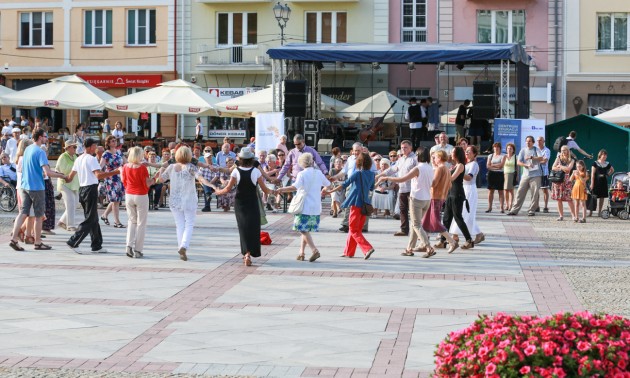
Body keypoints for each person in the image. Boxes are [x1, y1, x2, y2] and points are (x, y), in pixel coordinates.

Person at [213, 148, 275, 266]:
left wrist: (218, 192)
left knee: (243, 229)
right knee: (254, 228)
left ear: (240, 159)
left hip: (240, 203)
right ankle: (251, 252)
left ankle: (246, 254)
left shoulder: (236, 171)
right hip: (252, 202)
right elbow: (265, 190)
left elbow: (228, 189)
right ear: (251, 159)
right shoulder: (256, 171)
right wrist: (275, 192)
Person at [8, 129, 67, 251]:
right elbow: (48, 172)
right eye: (45, 136)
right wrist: (61, 175)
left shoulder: (28, 149)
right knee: (39, 216)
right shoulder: (40, 152)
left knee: (23, 213)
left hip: (24, 186)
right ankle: (38, 242)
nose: (47, 138)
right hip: (36, 187)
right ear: (40, 137)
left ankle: (14, 239)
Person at [159, 146, 213, 261]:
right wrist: (212, 185)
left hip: (175, 200)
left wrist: (161, 169)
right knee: (189, 224)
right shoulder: (191, 167)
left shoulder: (171, 167)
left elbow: (161, 179)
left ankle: (181, 248)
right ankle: (184, 245)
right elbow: (201, 179)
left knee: (179, 225)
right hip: (189, 199)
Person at [66, 139, 120, 254]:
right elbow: (99, 175)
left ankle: (96, 245)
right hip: (90, 189)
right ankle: (73, 241)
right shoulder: (91, 159)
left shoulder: (79, 158)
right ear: (90, 147)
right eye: (95, 146)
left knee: (93, 218)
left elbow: (70, 177)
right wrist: (116, 172)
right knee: (90, 218)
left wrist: (59, 175)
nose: (96, 148)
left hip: (82, 189)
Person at [379, 146, 434, 256]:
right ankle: (409, 248)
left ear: (418, 156)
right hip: (427, 199)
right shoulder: (430, 168)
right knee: (415, 224)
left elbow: (402, 179)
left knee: (417, 224)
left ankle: (428, 247)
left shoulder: (418, 168)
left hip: (417, 198)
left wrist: (387, 178)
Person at [276, 153, 330, 262]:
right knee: (306, 230)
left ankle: (314, 250)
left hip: (304, 206)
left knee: (302, 229)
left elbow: (294, 187)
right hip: (315, 206)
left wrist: (281, 189)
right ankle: (301, 252)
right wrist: (323, 190)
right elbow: (328, 184)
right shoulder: (318, 173)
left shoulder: (302, 174)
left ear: (302, 163)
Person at [324, 152, 375, 259]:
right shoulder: (372, 175)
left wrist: (330, 192)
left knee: (353, 229)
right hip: (366, 204)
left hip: (356, 203)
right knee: (355, 229)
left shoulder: (357, 174)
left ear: (359, 162)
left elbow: (344, 185)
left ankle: (367, 248)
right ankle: (348, 252)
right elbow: (371, 188)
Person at [121, 147, 158, 258]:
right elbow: (148, 183)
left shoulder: (125, 167)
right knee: (141, 223)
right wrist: (155, 178)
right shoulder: (142, 168)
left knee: (132, 221)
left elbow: (124, 181)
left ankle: (128, 245)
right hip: (141, 195)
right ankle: (138, 250)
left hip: (129, 194)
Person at [436, 147, 474, 251]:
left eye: (452, 152)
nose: (451, 154)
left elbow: (452, 178)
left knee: (458, 217)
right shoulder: (453, 166)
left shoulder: (461, 166)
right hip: (450, 193)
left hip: (457, 194)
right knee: (446, 218)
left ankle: (469, 240)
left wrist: (442, 172)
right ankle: (442, 241)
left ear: (457, 154)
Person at [377, 140, 417, 236]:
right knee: (402, 209)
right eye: (402, 147)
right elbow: (391, 169)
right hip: (402, 188)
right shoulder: (401, 159)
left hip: (412, 188)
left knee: (414, 211)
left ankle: (417, 231)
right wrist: (379, 175)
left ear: (410, 148)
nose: (403, 149)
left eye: (405, 147)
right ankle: (404, 230)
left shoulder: (415, 159)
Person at [422, 150, 458, 256]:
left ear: (440, 157)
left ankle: (452, 241)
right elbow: (450, 185)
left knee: (435, 222)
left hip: (434, 197)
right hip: (440, 197)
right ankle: (424, 244)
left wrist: (425, 179)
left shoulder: (440, 168)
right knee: (425, 222)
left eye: (435, 157)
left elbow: (433, 183)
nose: (434, 159)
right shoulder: (446, 169)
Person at [450, 146, 484, 245]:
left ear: (474, 154)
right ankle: (456, 235)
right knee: (462, 214)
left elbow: (469, 177)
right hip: (462, 188)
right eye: (466, 151)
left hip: (470, 190)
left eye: (469, 151)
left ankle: (456, 235)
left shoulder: (474, 164)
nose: (467, 153)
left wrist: (458, 173)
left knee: (466, 214)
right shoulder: (465, 164)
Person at [506, 136, 545, 216]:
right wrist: (525, 165)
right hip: (526, 175)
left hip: (536, 175)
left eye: (530, 141)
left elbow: (541, 158)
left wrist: (531, 157)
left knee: (534, 193)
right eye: (527, 141)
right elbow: (518, 162)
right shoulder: (523, 150)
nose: (528, 142)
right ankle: (514, 210)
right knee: (520, 192)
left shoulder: (536, 149)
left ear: (533, 142)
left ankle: (532, 210)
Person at [99, 135, 126, 228]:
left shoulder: (119, 152)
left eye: (115, 141)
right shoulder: (106, 154)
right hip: (111, 178)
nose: (115, 142)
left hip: (119, 177)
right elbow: (100, 166)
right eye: (112, 141)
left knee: (116, 199)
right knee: (115, 200)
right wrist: (99, 174)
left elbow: (125, 162)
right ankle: (117, 222)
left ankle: (104, 215)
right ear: (108, 143)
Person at [56, 142, 80, 231]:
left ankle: (62, 221)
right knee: (70, 204)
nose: (75, 148)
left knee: (75, 203)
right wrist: (74, 167)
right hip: (65, 183)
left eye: (76, 147)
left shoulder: (74, 156)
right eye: (74, 147)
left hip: (74, 184)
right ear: (68, 148)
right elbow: (60, 169)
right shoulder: (63, 156)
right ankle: (70, 225)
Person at [551, 145, 576, 222]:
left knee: (569, 199)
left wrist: (560, 166)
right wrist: (562, 168)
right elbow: (553, 167)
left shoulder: (572, 159)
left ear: (568, 151)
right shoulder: (558, 158)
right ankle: (561, 216)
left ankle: (573, 216)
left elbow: (568, 169)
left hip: (567, 181)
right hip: (558, 180)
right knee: (559, 199)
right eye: (561, 150)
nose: (563, 152)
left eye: (564, 150)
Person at [590, 149, 614, 216]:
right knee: (593, 197)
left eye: (605, 155)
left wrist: (607, 175)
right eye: (603, 155)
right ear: (600, 155)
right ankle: (591, 212)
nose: (604, 156)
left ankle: (599, 212)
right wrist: (592, 184)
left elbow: (612, 170)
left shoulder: (607, 163)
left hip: (603, 182)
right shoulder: (595, 163)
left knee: (602, 197)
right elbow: (592, 174)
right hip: (596, 182)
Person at [486, 142, 506, 213]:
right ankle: (489, 207)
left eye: (497, 147)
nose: (496, 148)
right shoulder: (490, 156)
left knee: (500, 191)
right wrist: (496, 166)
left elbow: (501, 165)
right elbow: (488, 166)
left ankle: (501, 207)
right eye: (495, 147)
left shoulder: (503, 156)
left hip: (500, 174)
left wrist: (493, 165)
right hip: (491, 174)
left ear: (500, 148)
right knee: (491, 191)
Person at [536, 136, 551, 213]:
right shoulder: (535, 150)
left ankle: (545, 206)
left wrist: (535, 161)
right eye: (537, 140)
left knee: (544, 190)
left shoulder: (547, 150)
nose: (538, 142)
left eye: (540, 140)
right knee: (536, 190)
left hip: (544, 173)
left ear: (543, 141)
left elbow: (545, 161)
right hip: (536, 173)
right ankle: (537, 206)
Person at [503, 143, 517, 212]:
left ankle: (511, 204)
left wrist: (517, 177)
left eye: (510, 148)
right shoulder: (504, 156)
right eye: (508, 148)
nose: (509, 150)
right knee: (505, 190)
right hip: (505, 174)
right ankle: (507, 204)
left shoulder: (515, 157)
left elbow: (517, 167)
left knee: (511, 190)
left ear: (513, 150)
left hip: (512, 174)